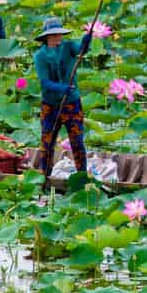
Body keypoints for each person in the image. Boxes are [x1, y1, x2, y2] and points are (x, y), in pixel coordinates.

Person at [34, 16, 92, 175]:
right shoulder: (40, 56)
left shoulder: (68, 47)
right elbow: (44, 82)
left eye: (59, 34)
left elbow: (81, 49)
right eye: (53, 35)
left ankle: (82, 175)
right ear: (46, 37)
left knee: (77, 141)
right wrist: (62, 88)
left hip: (72, 103)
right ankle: (45, 176)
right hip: (50, 106)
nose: (57, 37)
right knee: (47, 142)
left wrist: (87, 41)